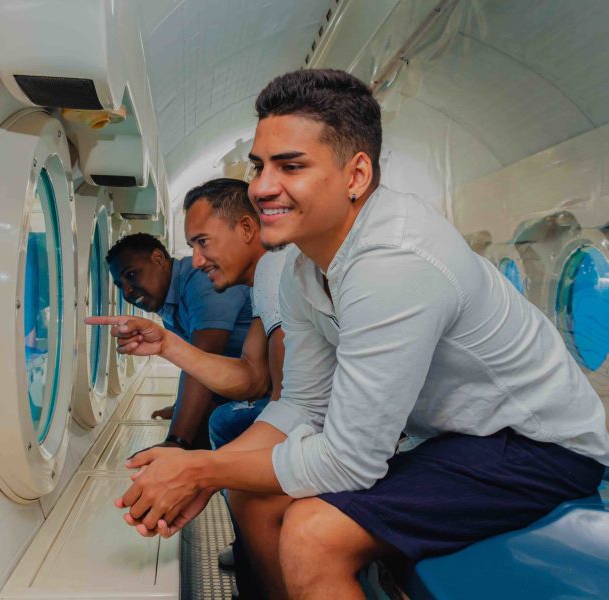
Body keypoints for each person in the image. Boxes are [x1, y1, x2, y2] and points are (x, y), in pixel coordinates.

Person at [103, 68, 609, 600]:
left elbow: (350, 460)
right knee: (256, 497)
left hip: (539, 448)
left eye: (290, 166)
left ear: (356, 175)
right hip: (460, 438)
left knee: (312, 535)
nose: (261, 188)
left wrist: (201, 467)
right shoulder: (302, 266)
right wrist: (211, 469)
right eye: (259, 166)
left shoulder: (395, 263)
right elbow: (304, 402)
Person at [92, 178, 287, 595]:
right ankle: (254, 561)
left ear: (248, 229)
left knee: (226, 432)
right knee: (224, 425)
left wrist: (189, 454)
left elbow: (287, 401)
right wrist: (167, 347)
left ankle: (259, 561)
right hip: (285, 406)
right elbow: (251, 376)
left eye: (202, 242)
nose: (196, 260)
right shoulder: (264, 284)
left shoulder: (279, 274)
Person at [105, 232, 252, 449]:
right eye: (120, 285)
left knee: (208, 423)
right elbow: (192, 361)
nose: (127, 290)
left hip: (271, 383)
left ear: (158, 258)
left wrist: (176, 441)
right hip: (237, 380)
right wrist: (179, 407)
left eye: (132, 275)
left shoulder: (201, 280)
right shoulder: (168, 303)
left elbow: (203, 359)